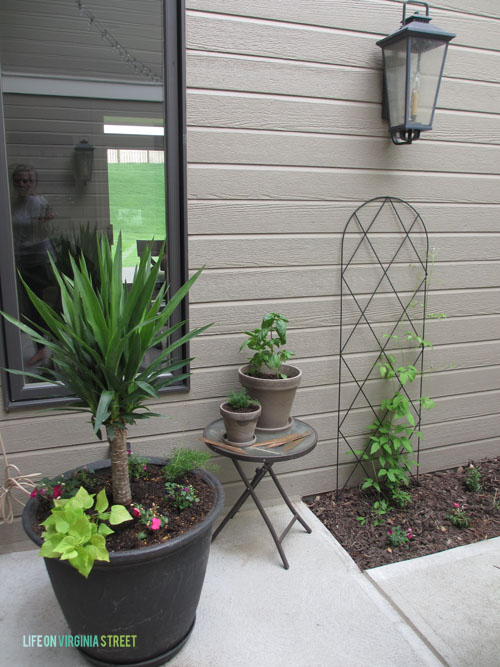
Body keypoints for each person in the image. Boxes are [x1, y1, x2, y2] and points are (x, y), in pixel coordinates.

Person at [11, 164, 57, 366]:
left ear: (33, 183)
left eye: (27, 180)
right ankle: (41, 349)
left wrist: (44, 222)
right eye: (19, 180)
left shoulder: (39, 203)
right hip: (23, 260)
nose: (23, 184)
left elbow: (47, 230)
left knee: (47, 306)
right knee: (31, 307)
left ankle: (54, 349)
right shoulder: (12, 204)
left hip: (41, 261)